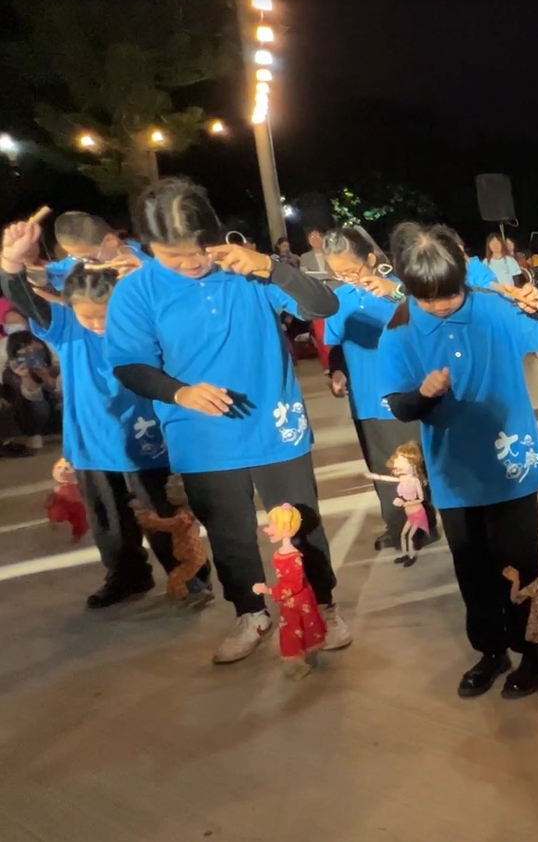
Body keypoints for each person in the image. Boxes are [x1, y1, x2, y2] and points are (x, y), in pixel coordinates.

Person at [105, 178, 352, 664]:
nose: (190, 263)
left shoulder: (247, 269)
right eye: (173, 256)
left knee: (301, 523)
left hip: (275, 425)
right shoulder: (137, 291)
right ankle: (250, 611)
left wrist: (271, 267)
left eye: (197, 250)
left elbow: (324, 306)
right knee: (229, 533)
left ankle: (321, 604)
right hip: (201, 435)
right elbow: (129, 364)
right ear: (149, 247)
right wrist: (179, 392)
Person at [377, 222, 538, 699]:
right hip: (454, 473)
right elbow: (399, 405)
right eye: (428, 298)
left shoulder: (493, 308)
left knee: (522, 564)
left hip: (511, 466)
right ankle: (491, 651)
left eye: (450, 293)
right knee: (472, 569)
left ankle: (531, 653)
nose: (441, 305)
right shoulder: (400, 328)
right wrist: (423, 394)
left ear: (463, 275)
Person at [1, 225, 207, 608]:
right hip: (92, 439)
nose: (97, 324)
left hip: (147, 436)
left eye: (104, 316)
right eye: (88, 317)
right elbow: (22, 296)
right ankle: (127, 576)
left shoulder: (142, 319)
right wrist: (11, 261)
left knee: (161, 511)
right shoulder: (64, 326)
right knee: (108, 519)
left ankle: (190, 572)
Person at [321, 225, 437, 554]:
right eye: (337, 272)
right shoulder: (339, 299)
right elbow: (335, 344)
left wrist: (394, 293)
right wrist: (337, 371)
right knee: (382, 465)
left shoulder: (398, 290)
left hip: (402, 392)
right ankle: (396, 525)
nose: (346, 278)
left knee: (412, 463)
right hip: (364, 396)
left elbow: (428, 319)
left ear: (371, 259)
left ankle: (425, 524)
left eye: (351, 270)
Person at [4, 329, 61, 446]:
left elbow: (61, 394)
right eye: (25, 350)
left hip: (54, 416)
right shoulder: (11, 373)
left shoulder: (54, 368)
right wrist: (26, 377)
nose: (32, 353)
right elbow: (33, 397)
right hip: (28, 417)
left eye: (37, 351)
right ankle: (33, 436)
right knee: (41, 405)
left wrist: (47, 376)